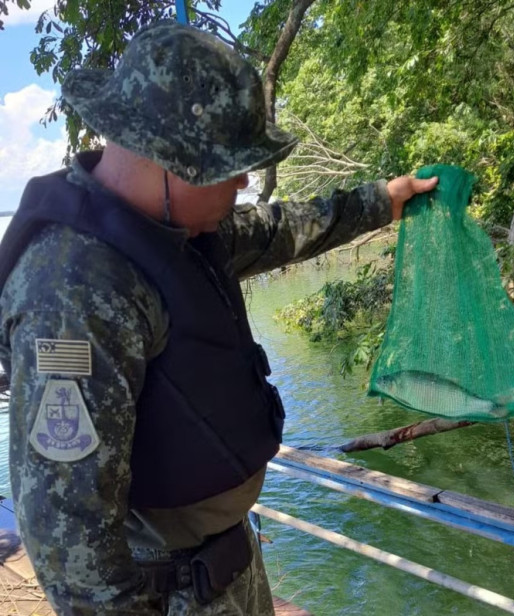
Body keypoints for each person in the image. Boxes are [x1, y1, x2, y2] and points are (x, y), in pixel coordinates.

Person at [0, 20, 437, 616]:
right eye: (233, 168)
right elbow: (67, 535)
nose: (244, 182)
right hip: (165, 593)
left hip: (227, 568)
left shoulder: (179, 229)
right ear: (172, 163)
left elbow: (283, 229)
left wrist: (385, 200)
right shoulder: (74, 288)